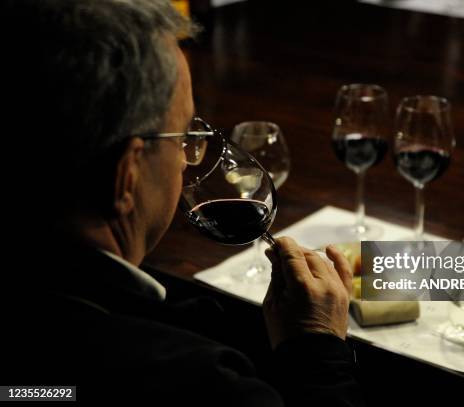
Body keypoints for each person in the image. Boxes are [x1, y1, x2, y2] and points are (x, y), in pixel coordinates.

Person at [0, 0, 363, 405]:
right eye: (184, 137)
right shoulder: (200, 383)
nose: (194, 155)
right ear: (127, 175)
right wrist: (319, 352)